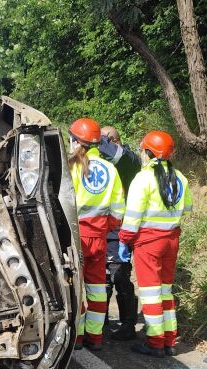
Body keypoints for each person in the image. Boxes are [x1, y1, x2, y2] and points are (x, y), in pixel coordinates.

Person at [118, 131, 192, 357]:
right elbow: (187, 209)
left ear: (148, 152)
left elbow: (132, 216)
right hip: (171, 240)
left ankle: (155, 342)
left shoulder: (143, 178)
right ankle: (170, 340)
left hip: (148, 243)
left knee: (150, 294)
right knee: (165, 292)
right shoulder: (180, 177)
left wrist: (124, 240)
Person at [68, 118, 125, 351]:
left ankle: (79, 338)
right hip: (100, 237)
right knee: (98, 288)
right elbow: (119, 208)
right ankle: (96, 338)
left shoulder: (71, 167)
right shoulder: (111, 169)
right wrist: (105, 227)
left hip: (77, 238)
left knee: (77, 289)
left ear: (75, 141)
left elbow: (63, 205)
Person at [98, 126, 141, 341]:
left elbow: (116, 154)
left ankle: (128, 325)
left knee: (120, 276)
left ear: (112, 140)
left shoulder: (129, 160)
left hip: (120, 231)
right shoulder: (105, 164)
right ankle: (101, 323)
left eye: (105, 140)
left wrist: (95, 139)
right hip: (103, 229)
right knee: (102, 279)